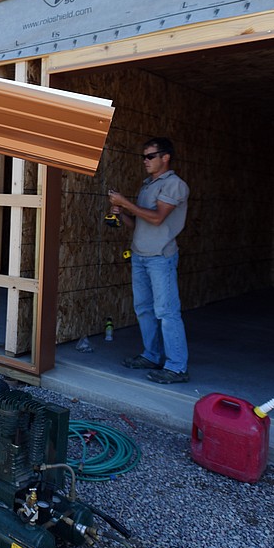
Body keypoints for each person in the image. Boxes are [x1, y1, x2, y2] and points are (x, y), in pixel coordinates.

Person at [107, 137, 191, 384]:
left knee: (166, 312)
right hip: (140, 255)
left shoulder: (174, 185)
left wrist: (125, 203)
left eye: (150, 156)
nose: (145, 161)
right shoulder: (147, 186)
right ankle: (151, 355)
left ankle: (176, 367)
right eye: (143, 156)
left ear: (165, 157)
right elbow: (140, 224)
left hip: (160, 258)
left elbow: (157, 219)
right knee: (144, 309)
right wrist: (122, 213)